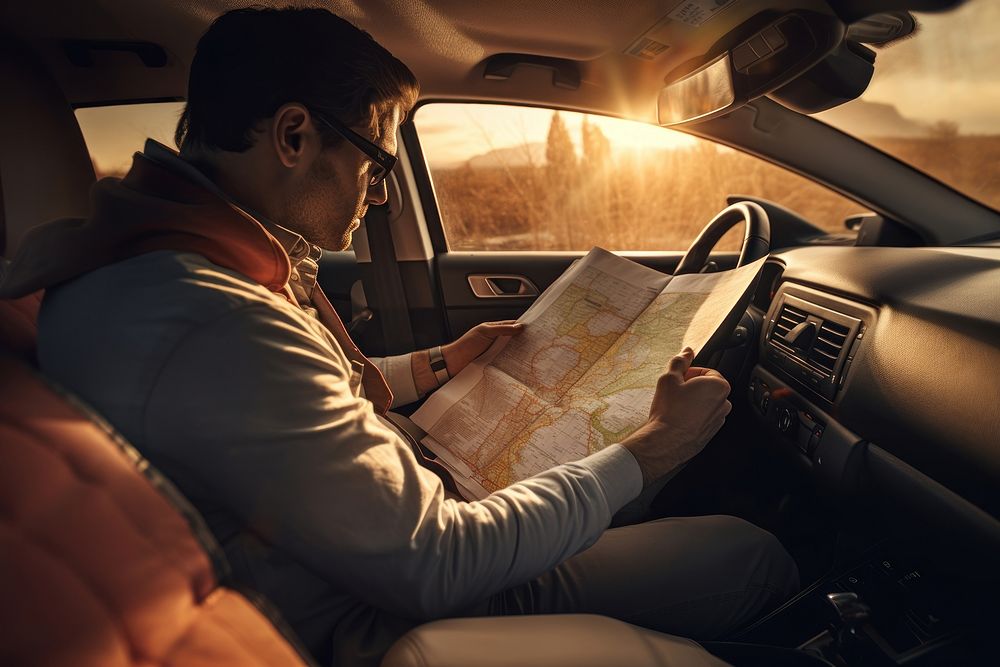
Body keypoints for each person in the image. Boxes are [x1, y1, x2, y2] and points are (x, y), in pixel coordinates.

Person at [2, 7, 797, 666]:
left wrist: (440, 362)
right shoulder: (210, 314)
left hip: (352, 553)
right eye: (378, 160)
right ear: (292, 137)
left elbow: (289, 404)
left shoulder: (167, 266)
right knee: (745, 551)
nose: (379, 193)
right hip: (367, 617)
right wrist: (651, 448)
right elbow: (438, 563)